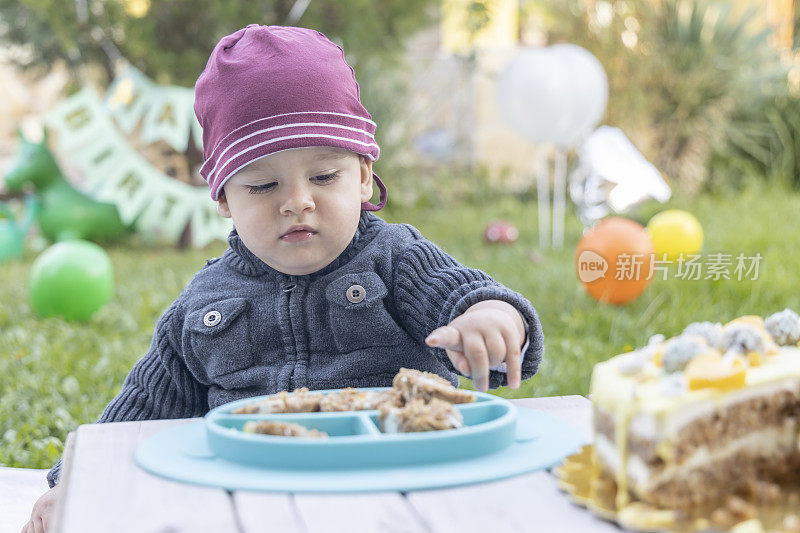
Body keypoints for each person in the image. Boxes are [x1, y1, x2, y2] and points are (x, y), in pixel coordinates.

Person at [22, 25, 544, 532]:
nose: (297, 201)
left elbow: (468, 296)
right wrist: (76, 480)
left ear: (363, 175)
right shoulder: (205, 300)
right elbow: (140, 409)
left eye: (323, 176)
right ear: (224, 198)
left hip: (397, 488)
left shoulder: (396, 258)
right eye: (263, 185)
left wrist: (493, 322)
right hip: (251, 500)